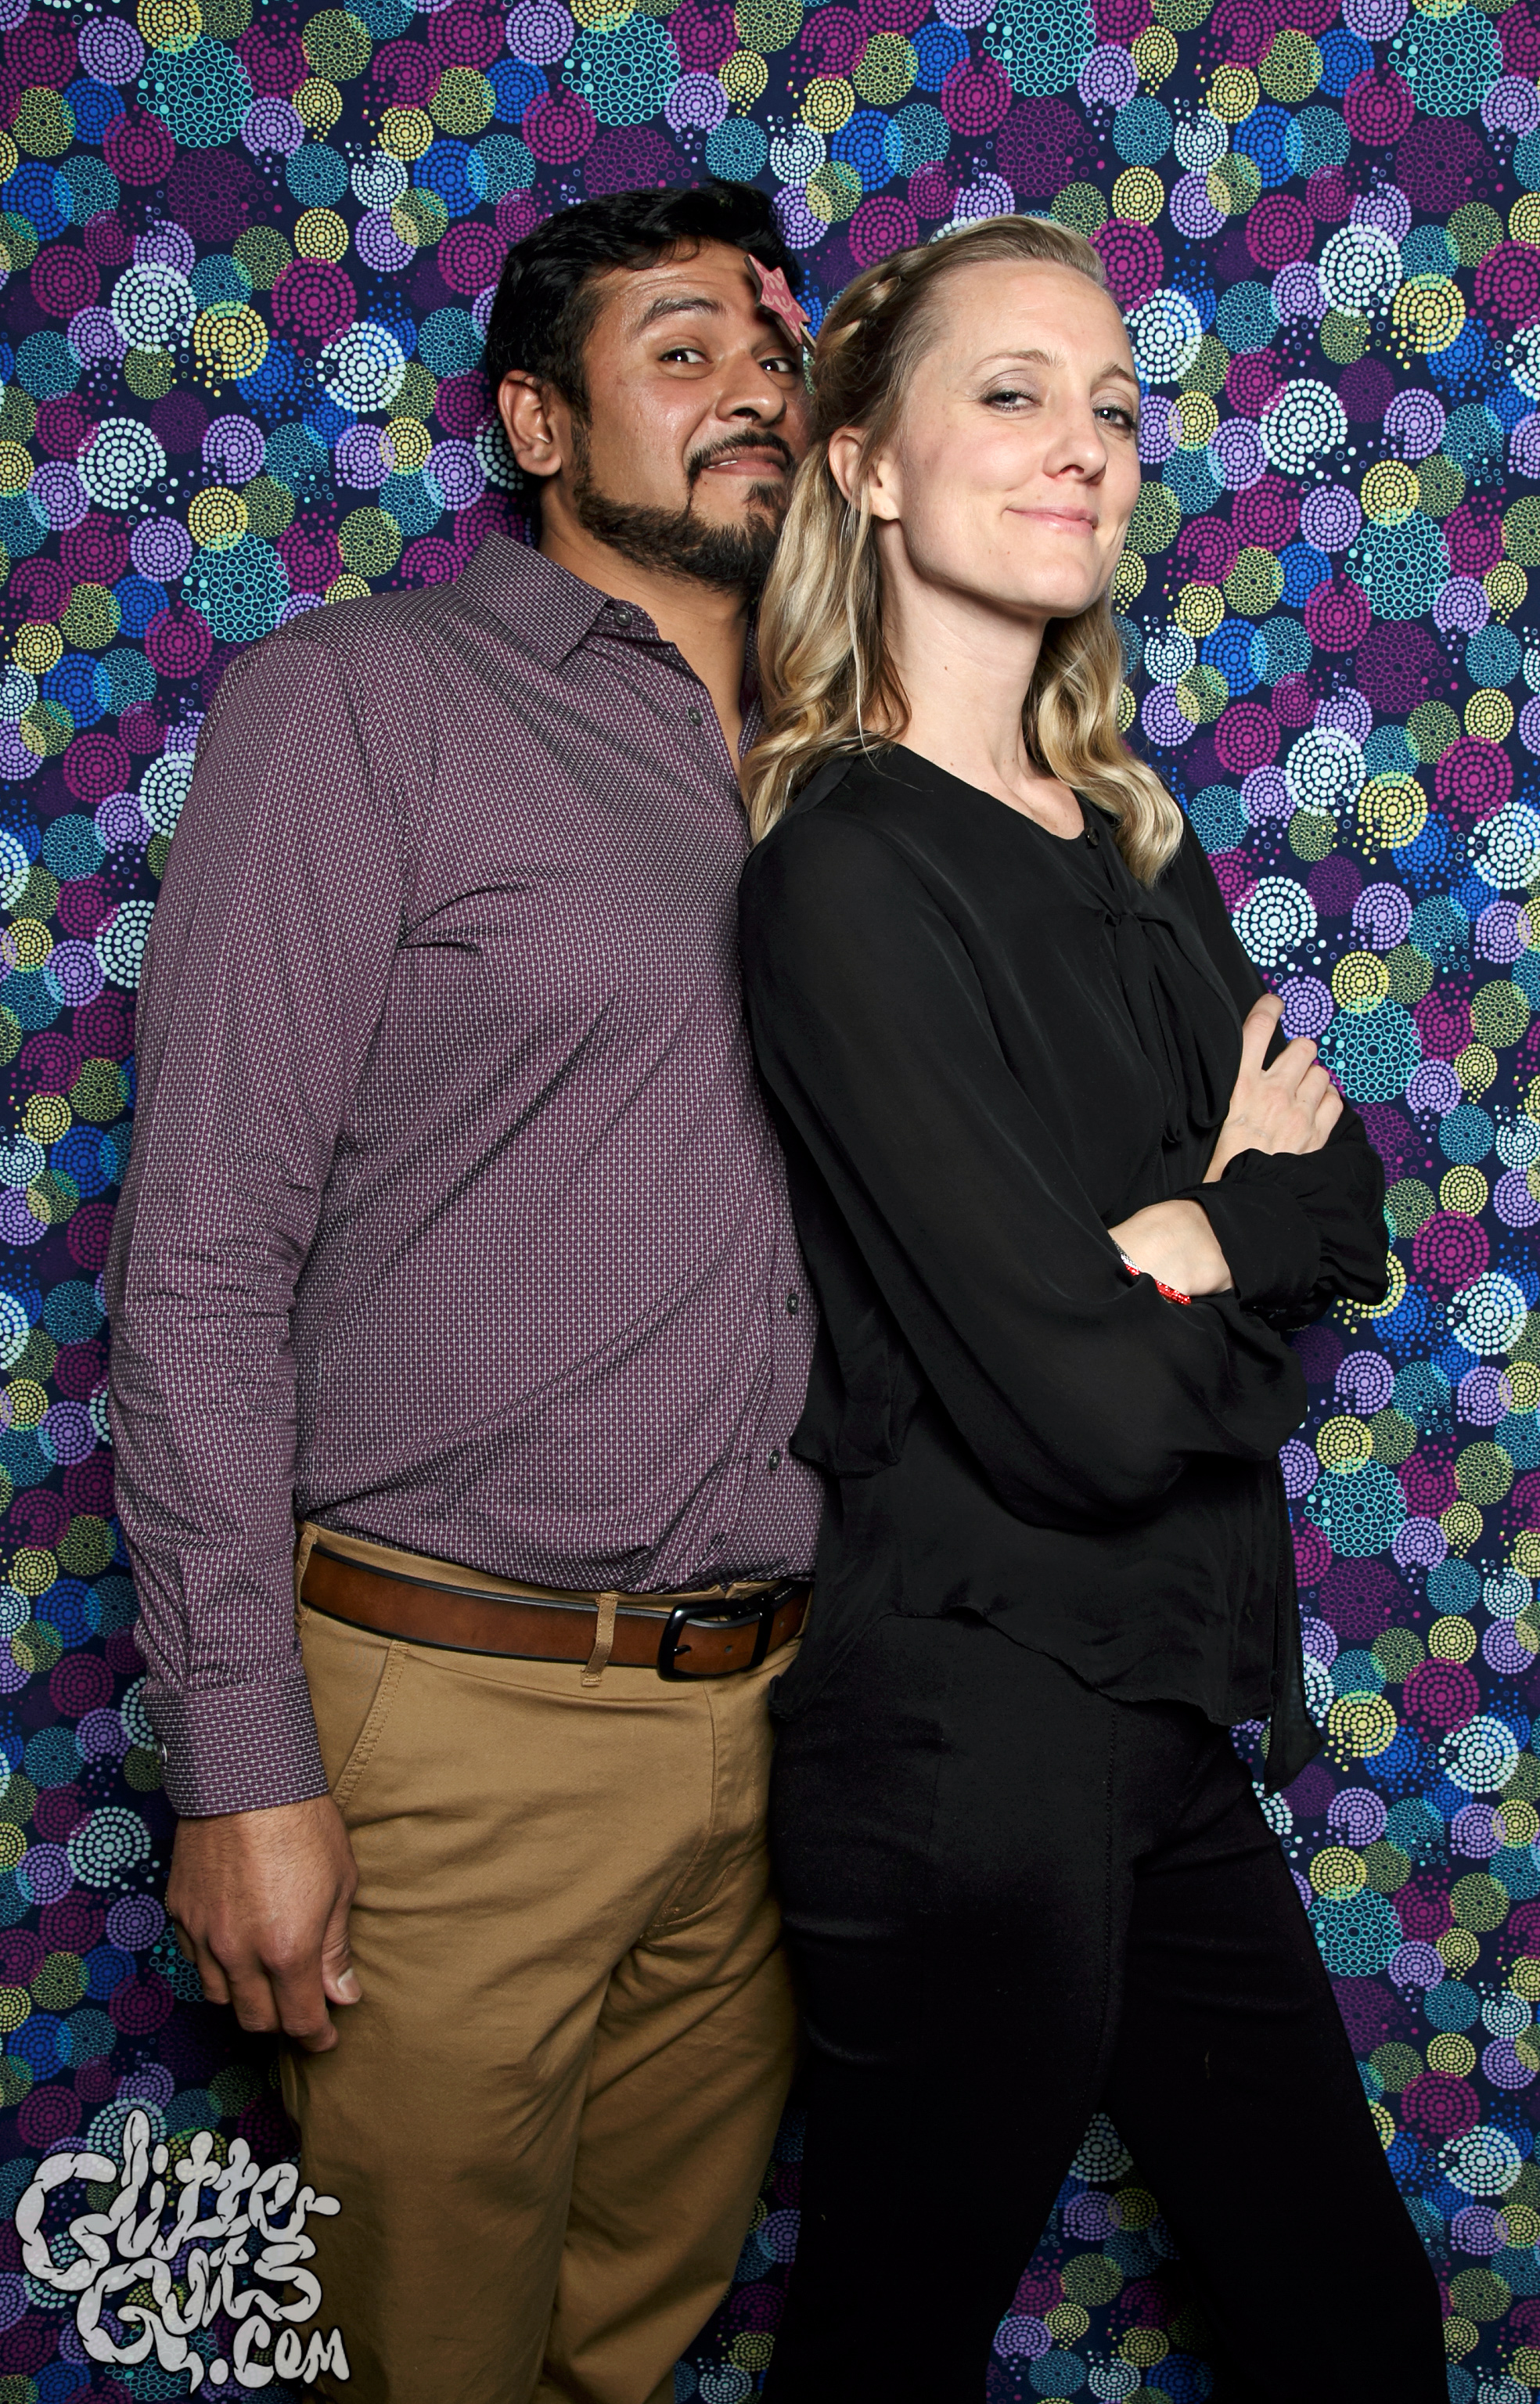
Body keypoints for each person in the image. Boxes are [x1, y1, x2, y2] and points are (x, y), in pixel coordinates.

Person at [106, 180, 819, 2404]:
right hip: (459, 1718)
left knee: (634, 2348)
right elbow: (205, 1249)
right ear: (535, 421)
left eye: (779, 354)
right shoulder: (367, 704)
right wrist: (242, 1766)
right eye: (683, 350)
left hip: (787, 1729)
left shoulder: (862, 770)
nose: (754, 392)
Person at [736, 216, 1449, 2402]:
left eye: (1118, 411)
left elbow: (1348, 1202)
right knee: (890, 2356)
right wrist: (1222, 1224)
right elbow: (1091, 1419)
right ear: (866, 464)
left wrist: (1197, 1232)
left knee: (1356, 2333)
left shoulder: (1131, 839)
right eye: (1014, 394)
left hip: (1158, 1713)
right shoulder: (843, 869)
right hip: (970, 1738)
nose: (1088, 449)